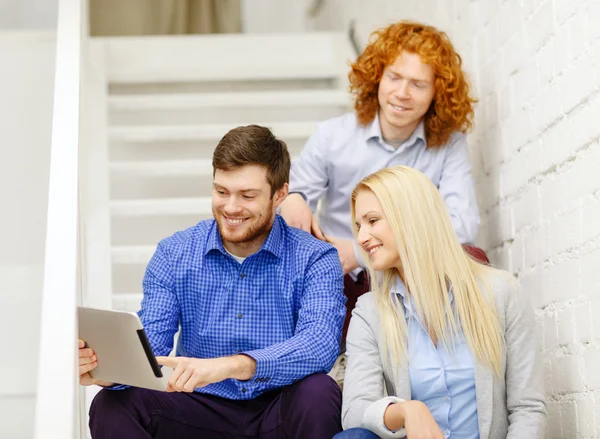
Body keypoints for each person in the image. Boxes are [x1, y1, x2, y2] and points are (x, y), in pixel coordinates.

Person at [79, 125, 347, 439]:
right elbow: (152, 344)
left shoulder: (315, 257)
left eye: (247, 195)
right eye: (221, 192)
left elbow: (318, 345)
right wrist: (109, 370)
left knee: (319, 391)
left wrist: (231, 365)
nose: (231, 207)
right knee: (112, 403)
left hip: (279, 407)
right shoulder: (174, 253)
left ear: (280, 194)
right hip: (199, 408)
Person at [280, 21, 484, 346]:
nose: (402, 93)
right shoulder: (333, 135)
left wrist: (361, 252)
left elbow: (461, 226)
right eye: (394, 77)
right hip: (339, 275)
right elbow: (292, 193)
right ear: (377, 77)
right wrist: (294, 199)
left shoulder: (449, 145)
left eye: (418, 84)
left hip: (412, 275)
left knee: (473, 256)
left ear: (437, 93)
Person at [335, 166, 546, 439]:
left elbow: (528, 408)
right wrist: (408, 411)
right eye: (358, 226)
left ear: (411, 217)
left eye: (372, 221)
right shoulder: (370, 312)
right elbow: (354, 409)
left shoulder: (502, 293)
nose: (361, 238)